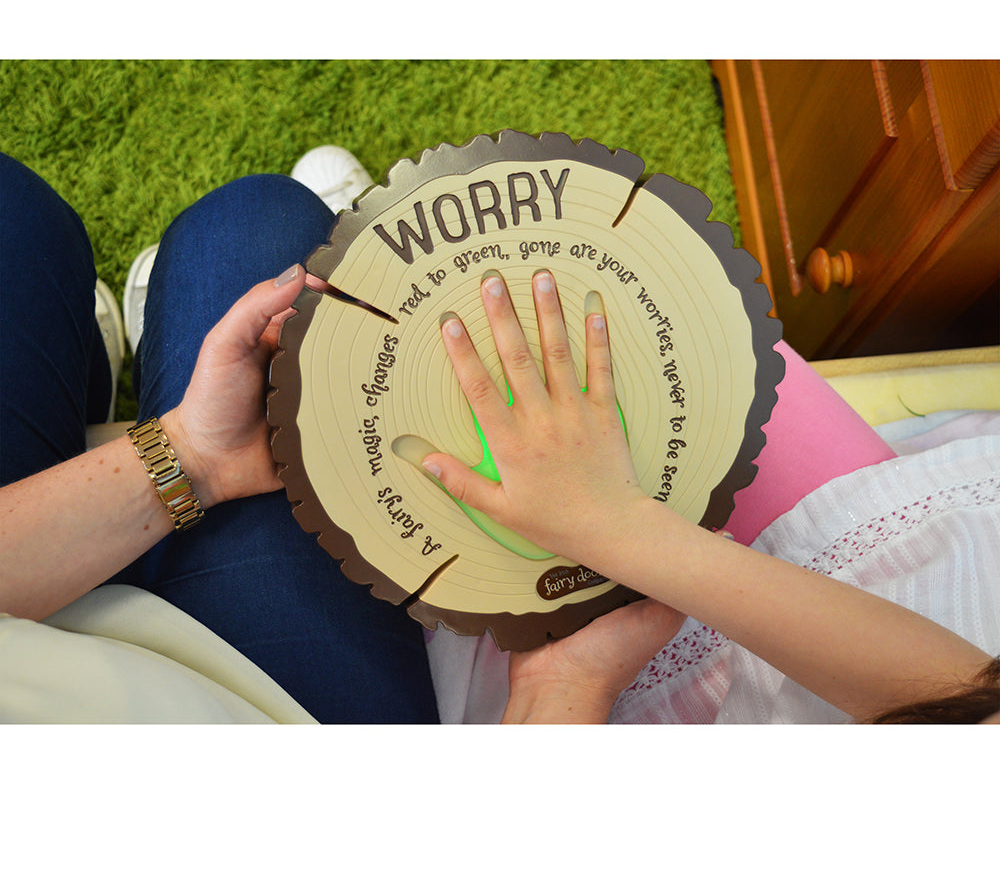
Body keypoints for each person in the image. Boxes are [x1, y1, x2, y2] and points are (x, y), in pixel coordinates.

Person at [0, 148, 684, 725]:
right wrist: (556, 694)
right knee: (258, 225)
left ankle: (93, 381)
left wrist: (193, 455)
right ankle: (136, 362)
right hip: (271, 716)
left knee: (14, 215)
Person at [413, 268, 1000, 724]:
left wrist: (563, 688)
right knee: (702, 339)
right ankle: (393, 307)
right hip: (890, 607)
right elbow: (962, 702)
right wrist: (621, 529)